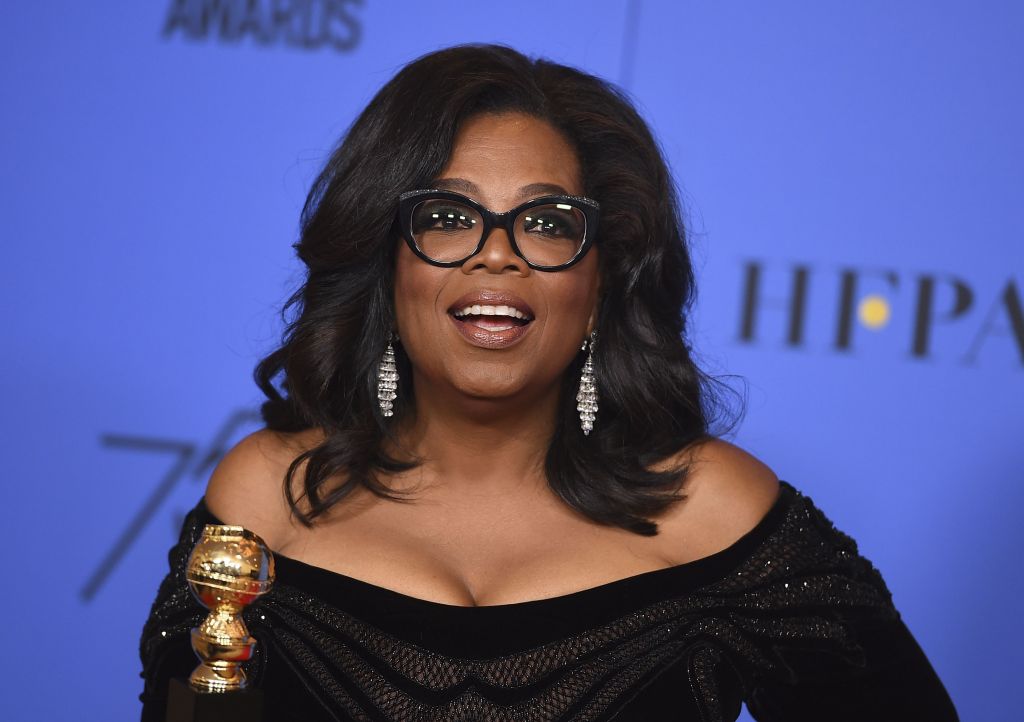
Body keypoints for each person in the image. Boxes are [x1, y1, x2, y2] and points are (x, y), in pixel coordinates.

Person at [139, 44, 958, 721]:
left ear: (601, 282)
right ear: (387, 265)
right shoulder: (267, 504)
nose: (498, 253)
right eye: (449, 216)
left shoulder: (714, 515)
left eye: (547, 222)